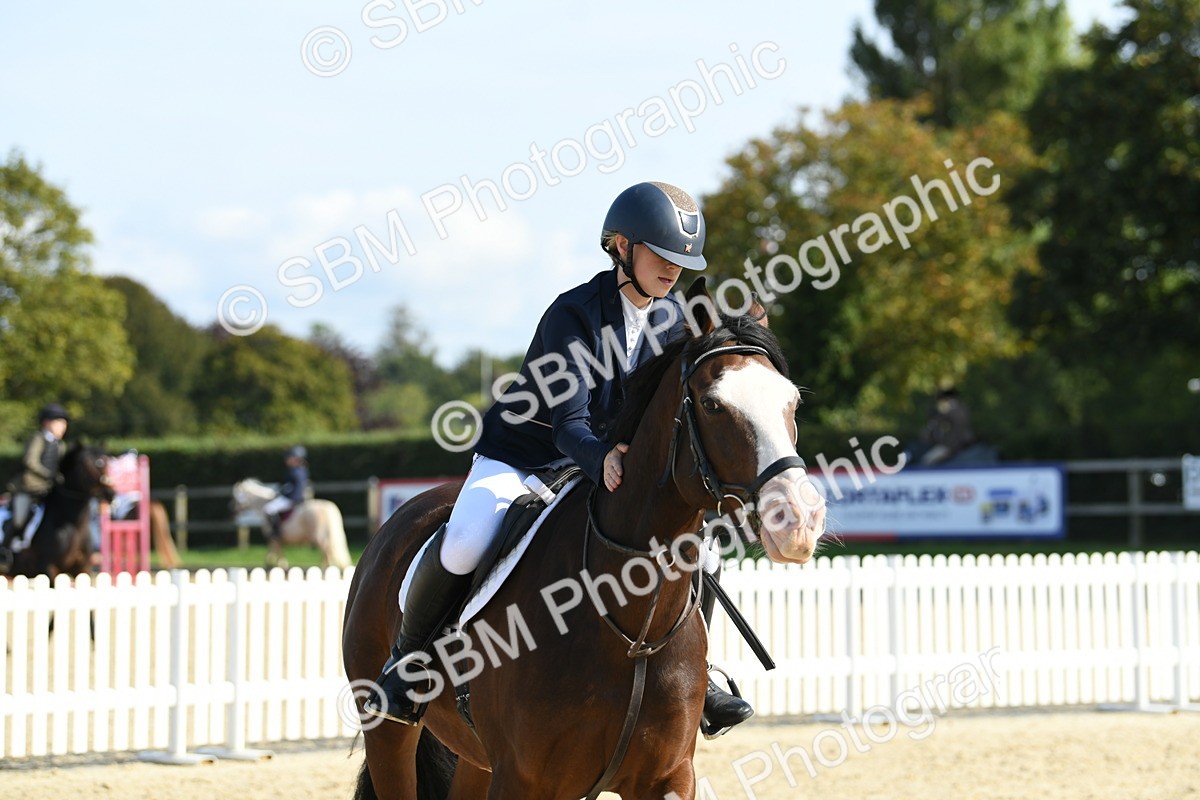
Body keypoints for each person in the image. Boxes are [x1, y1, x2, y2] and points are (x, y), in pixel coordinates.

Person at [364, 181, 755, 733]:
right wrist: (603, 460)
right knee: (468, 537)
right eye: (663, 255)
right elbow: (569, 424)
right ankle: (407, 662)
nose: (674, 270)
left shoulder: (671, 322)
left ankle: (700, 670)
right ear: (621, 247)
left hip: (601, 461)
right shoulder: (573, 314)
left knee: (703, 549)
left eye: (683, 261)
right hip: (526, 457)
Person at [2, 403, 70, 559]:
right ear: (46, 423)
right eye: (59, 423)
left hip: (49, 489)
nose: (63, 427)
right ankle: (5, 549)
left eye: (64, 424)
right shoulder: (37, 438)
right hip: (29, 488)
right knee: (20, 519)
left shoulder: (61, 446)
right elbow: (30, 461)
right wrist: (48, 474)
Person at [918, 387, 976, 466]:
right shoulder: (960, 409)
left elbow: (944, 421)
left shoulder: (954, 410)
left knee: (927, 460)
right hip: (956, 444)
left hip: (952, 446)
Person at [263, 445, 310, 540]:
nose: (287, 460)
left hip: (291, 498)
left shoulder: (293, 471)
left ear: (296, 459)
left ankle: (276, 532)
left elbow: (288, 487)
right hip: (300, 498)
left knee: (269, 508)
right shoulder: (303, 470)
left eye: (289, 457)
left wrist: (280, 491)